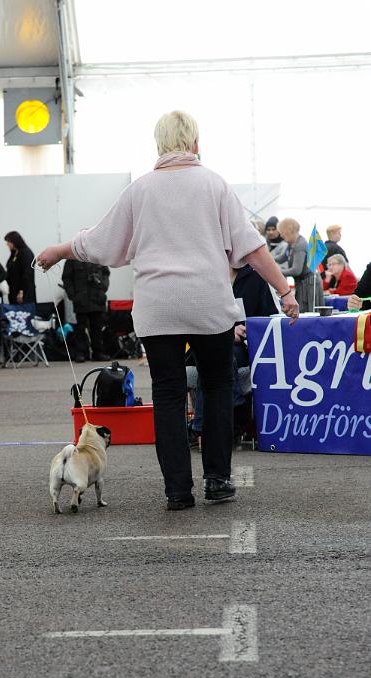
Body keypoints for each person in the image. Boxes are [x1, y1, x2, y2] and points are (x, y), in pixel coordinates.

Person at [37, 110, 299, 510]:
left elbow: (103, 243)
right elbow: (251, 248)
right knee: (215, 387)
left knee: (169, 395)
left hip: (158, 309)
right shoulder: (215, 185)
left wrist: (60, 250)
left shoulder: (140, 190)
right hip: (209, 304)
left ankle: (177, 490)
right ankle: (217, 479)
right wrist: (284, 290)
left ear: (158, 145)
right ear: (196, 143)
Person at [187, 262, 279, 447]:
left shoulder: (256, 278)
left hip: (243, 346)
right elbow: (194, 317)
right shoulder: (204, 277)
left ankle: (202, 427)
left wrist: (248, 329)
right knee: (215, 353)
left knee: (223, 356)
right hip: (206, 341)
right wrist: (227, 331)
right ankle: (235, 413)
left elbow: (270, 319)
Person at [62, 259, 110, 362]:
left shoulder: (98, 255)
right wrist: (72, 295)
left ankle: (98, 353)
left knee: (97, 327)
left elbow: (106, 273)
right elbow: (66, 277)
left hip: (97, 297)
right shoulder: (72, 257)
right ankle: (81, 353)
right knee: (80, 328)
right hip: (80, 299)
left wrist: (103, 288)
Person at [274, 218, 324, 312]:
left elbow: (296, 270)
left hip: (309, 284)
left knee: (308, 310)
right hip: (303, 283)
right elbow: (281, 258)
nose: (281, 235)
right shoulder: (291, 244)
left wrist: (276, 272)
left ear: (288, 230)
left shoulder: (299, 245)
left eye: (282, 232)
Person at [4, 231, 36, 305]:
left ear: (14, 241)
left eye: (8, 242)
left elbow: (27, 274)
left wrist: (22, 291)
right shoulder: (14, 253)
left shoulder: (26, 253)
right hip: (13, 290)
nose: (7, 244)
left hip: (24, 291)